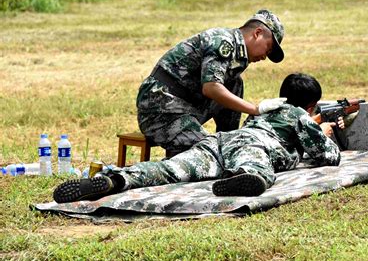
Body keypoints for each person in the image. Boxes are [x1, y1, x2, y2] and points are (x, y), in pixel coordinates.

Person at [53, 73, 343, 203]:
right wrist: (326, 131)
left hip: (219, 142)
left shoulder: (266, 109)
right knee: (257, 169)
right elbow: (328, 156)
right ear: (310, 106)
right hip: (253, 145)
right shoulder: (298, 115)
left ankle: (118, 179)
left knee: (169, 170)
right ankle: (246, 179)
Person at [137, 9, 287, 157]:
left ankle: (229, 143)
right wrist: (255, 109)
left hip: (183, 107)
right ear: (258, 33)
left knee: (235, 84)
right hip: (159, 108)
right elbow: (211, 88)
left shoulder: (238, 55)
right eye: (268, 49)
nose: (265, 57)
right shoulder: (223, 41)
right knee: (209, 153)